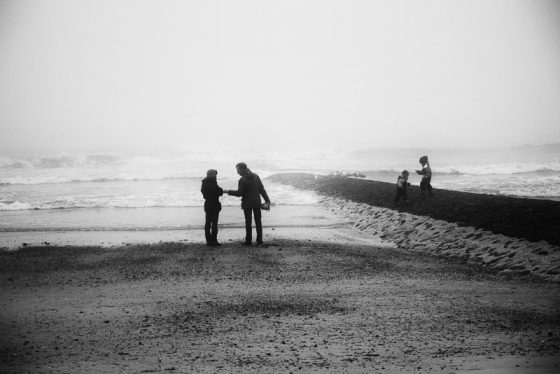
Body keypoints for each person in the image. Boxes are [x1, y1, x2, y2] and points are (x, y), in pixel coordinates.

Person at [225, 162, 271, 246]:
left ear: (242, 169)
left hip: (247, 203)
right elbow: (262, 190)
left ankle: (248, 241)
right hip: (257, 202)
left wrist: (228, 191)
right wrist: (267, 201)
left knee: (248, 222)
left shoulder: (242, 179)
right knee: (258, 222)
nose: (237, 172)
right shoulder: (256, 176)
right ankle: (259, 241)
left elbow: (240, 193)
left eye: (238, 170)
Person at [200, 169, 224, 246]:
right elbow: (220, 192)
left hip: (207, 203)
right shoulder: (212, 183)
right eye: (215, 174)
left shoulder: (204, 182)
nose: (216, 176)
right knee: (214, 223)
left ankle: (208, 240)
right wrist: (221, 190)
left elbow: (204, 193)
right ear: (211, 175)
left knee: (207, 223)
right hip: (214, 204)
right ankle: (214, 240)